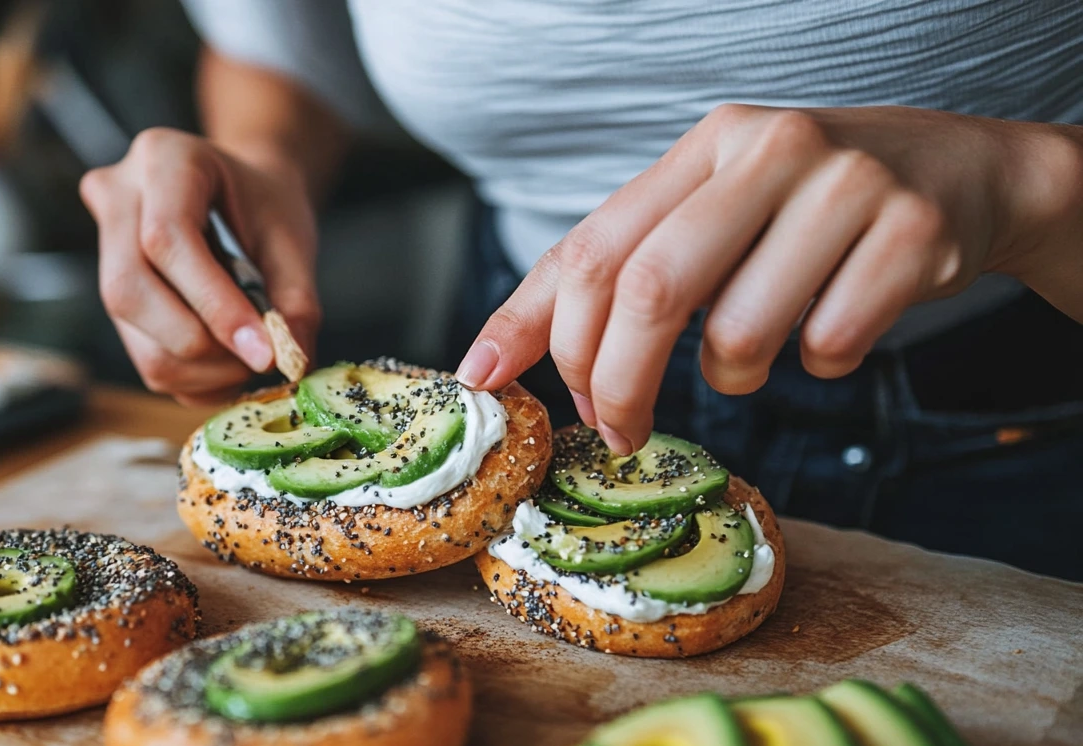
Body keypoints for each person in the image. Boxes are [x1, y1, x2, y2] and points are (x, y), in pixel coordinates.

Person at [78, 1, 1083, 579]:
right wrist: (258, 161)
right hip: (519, 357)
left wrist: (1035, 189)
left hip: (999, 392)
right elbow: (276, 53)